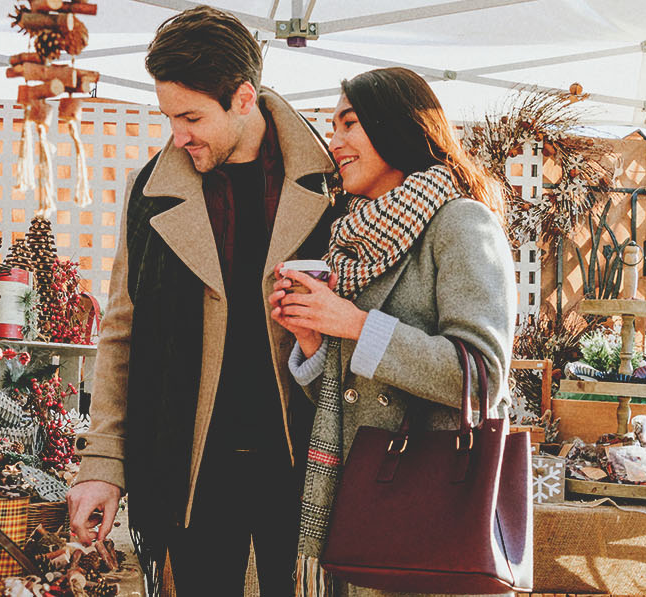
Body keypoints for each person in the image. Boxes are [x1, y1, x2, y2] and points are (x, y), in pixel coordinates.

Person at [64, 7, 343, 596]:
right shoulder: (152, 191)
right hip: (187, 472)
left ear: (245, 98)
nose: (178, 135)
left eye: (191, 117)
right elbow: (121, 332)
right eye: (169, 117)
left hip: (305, 470)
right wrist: (104, 467)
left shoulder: (334, 186)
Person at [271, 67, 517, 597]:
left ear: (393, 127)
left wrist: (354, 324)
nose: (334, 142)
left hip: (425, 513)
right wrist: (315, 341)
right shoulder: (356, 236)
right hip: (357, 501)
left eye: (349, 124)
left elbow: (482, 376)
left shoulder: (461, 223)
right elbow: (355, 399)